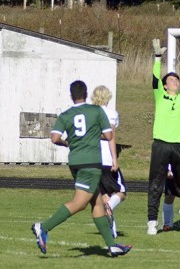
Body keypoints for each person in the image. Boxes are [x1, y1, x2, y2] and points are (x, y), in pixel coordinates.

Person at [31, 80, 132, 257]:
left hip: (75, 162)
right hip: (91, 163)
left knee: (97, 202)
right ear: (86, 94)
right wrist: (93, 133)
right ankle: (43, 227)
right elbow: (109, 135)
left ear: (71, 96)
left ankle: (112, 245)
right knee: (80, 203)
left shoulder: (66, 114)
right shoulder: (96, 110)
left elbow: (54, 138)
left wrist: (67, 142)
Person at [147, 39, 180, 235]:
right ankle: (152, 222)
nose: (176, 81)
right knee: (155, 183)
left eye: (177, 80)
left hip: (178, 146)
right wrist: (157, 57)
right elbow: (154, 78)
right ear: (165, 85)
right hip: (161, 144)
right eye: (172, 79)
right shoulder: (159, 95)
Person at [91, 85, 127, 238]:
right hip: (105, 159)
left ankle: (111, 231)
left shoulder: (90, 114)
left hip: (91, 159)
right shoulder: (111, 114)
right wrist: (114, 159)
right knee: (121, 191)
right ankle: (109, 207)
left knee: (105, 195)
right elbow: (111, 137)